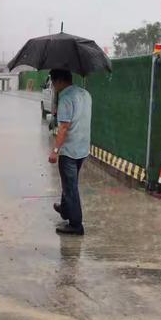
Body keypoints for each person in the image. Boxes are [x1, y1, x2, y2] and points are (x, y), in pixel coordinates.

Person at [48, 69, 92, 236]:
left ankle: (75, 224)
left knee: (70, 186)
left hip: (69, 150)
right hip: (82, 148)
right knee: (69, 182)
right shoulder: (86, 94)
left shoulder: (66, 98)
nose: (53, 86)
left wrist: (55, 151)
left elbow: (64, 128)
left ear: (59, 81)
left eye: (53, 82)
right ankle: (65, 209)